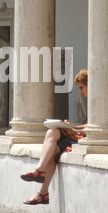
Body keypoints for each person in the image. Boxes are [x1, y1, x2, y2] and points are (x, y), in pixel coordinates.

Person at [20, 69, 88, 205]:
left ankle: (41, 182)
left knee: (52, 135)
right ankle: (41, 184)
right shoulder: (90, 100)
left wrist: (73, 131)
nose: (80, 91)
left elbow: (96, 130)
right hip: (76, 137)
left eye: (81, 87)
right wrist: (73, 127)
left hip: (81, 141)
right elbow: (89, 126)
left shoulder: (97, 101)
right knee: (52, 132)